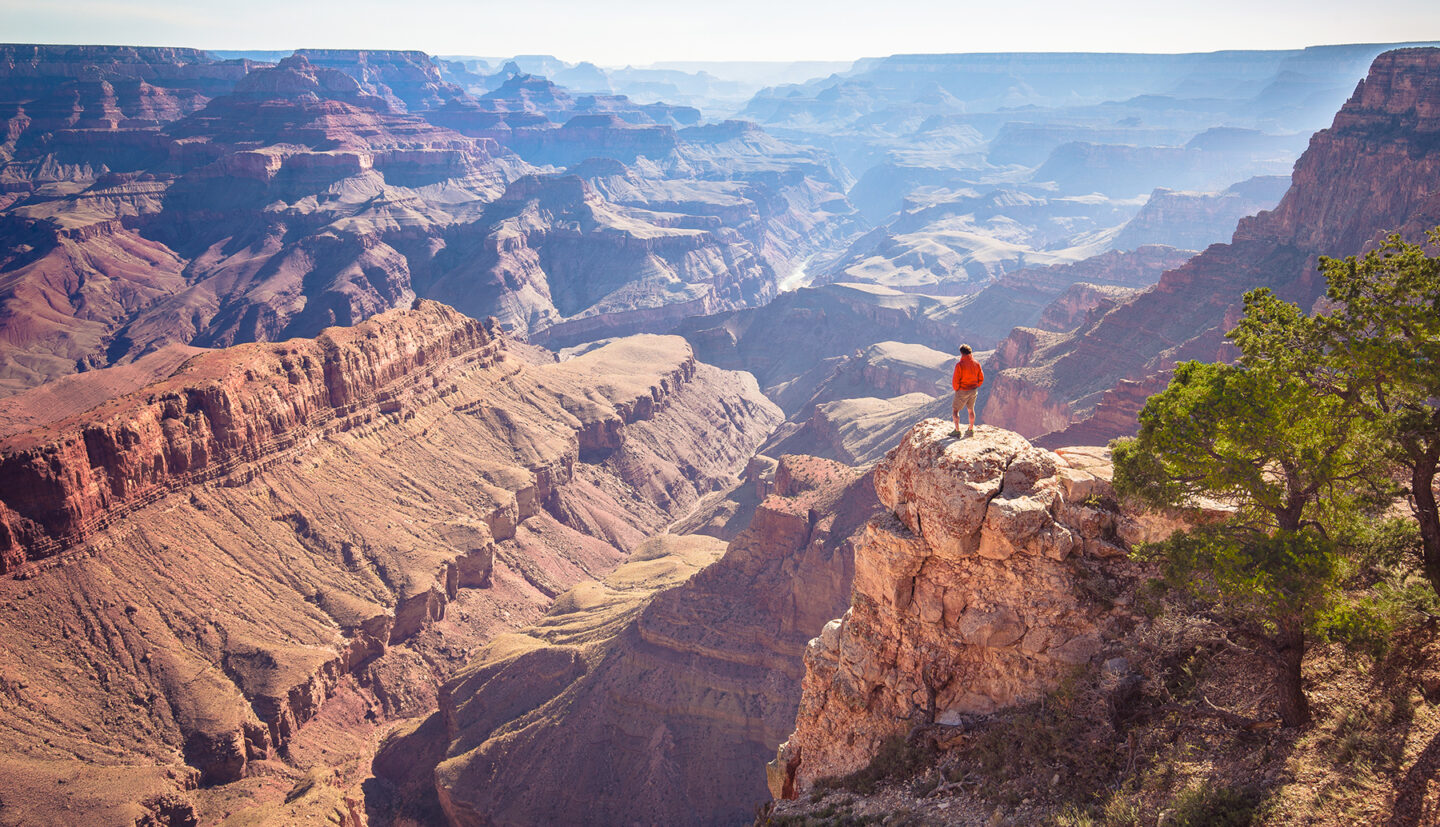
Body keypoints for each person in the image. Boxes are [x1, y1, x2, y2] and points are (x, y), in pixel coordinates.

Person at [951, 344, 983, 437]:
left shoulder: (960, 365)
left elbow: (956, 380)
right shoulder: (976, 363)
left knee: (955, 410)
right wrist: (976, 385)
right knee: (971, 410)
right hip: (973, 390)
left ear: (961, 353)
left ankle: (957, 431)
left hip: (962, 390)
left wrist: (957, 389)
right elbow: (981, 377)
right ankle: (971, 429)